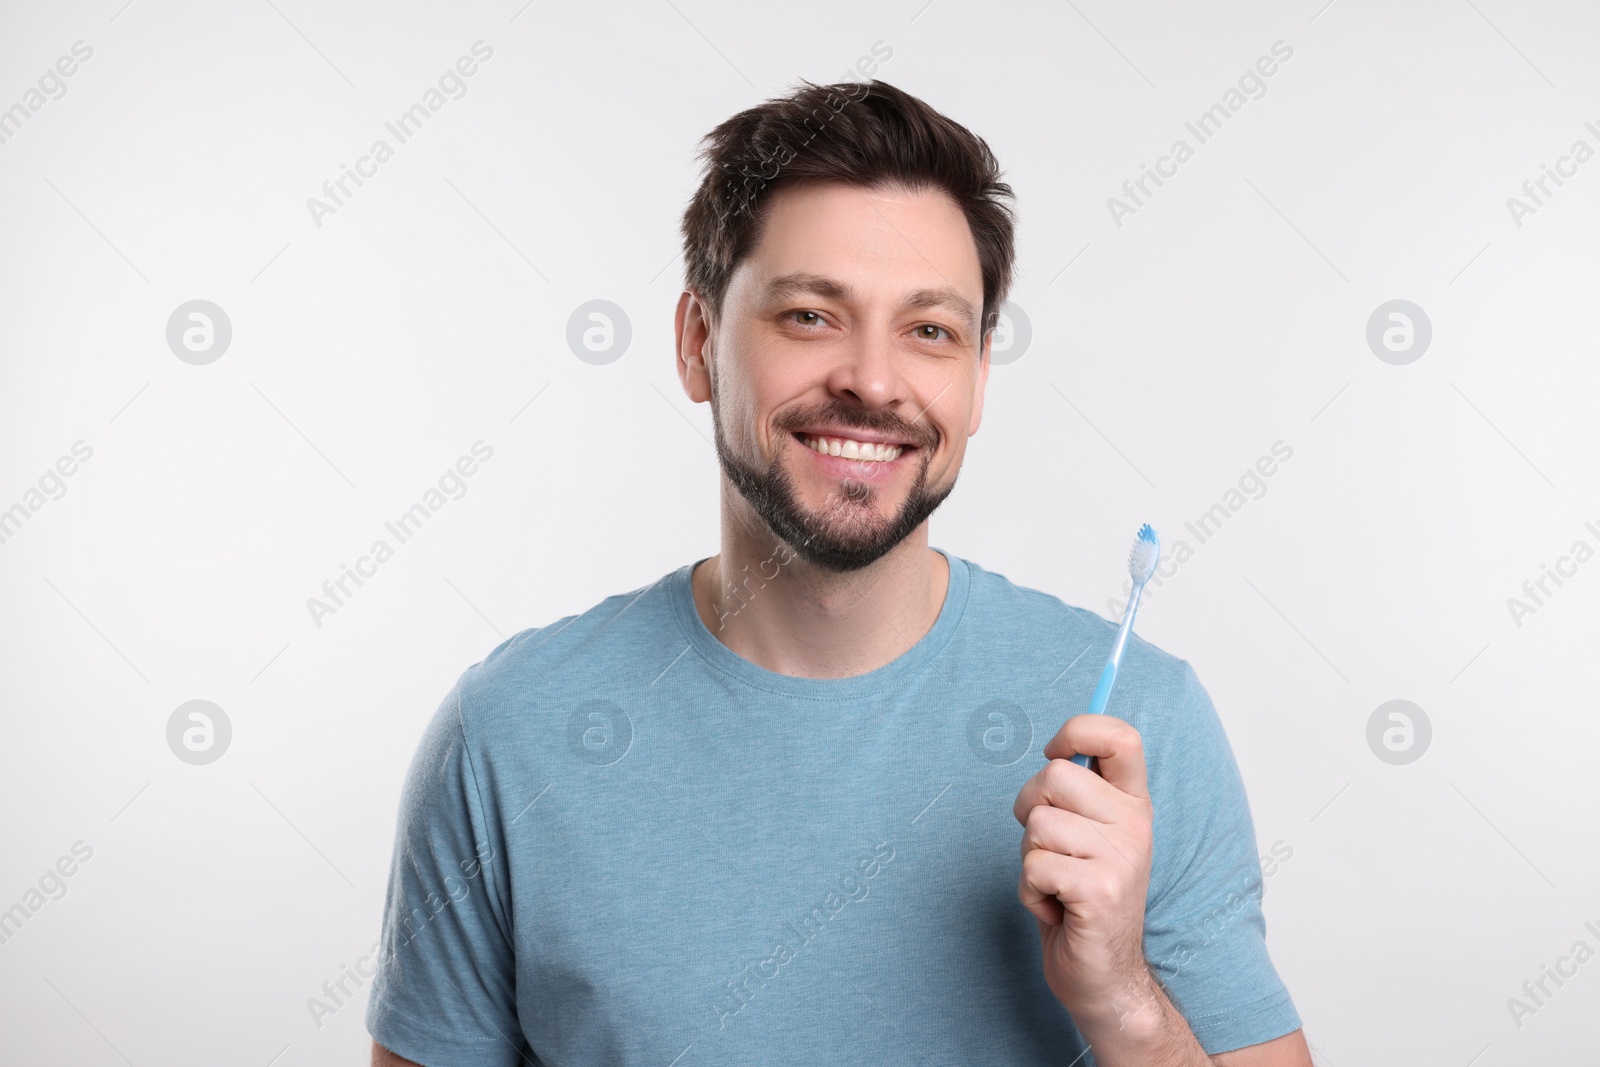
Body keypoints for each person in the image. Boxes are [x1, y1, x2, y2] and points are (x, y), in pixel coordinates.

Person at [367, 78, 1312, 1066]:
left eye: (930, 329)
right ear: (696, 343)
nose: (871, 378)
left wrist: (1120, 999)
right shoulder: (508, 733)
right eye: (811, 315)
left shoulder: (1135, 732)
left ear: (979, 377)